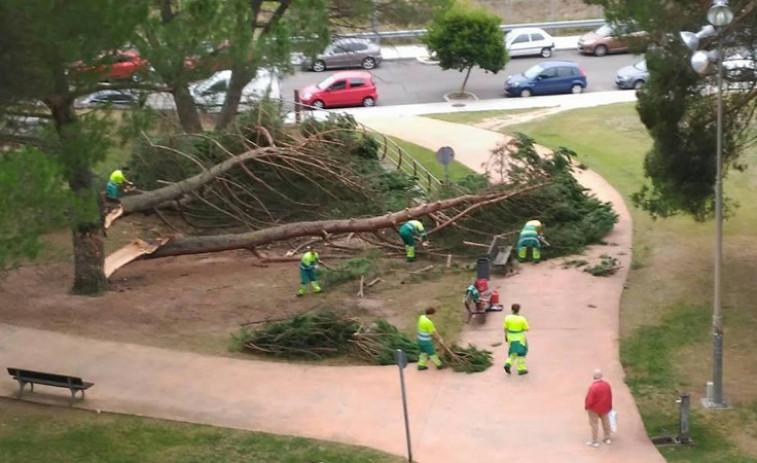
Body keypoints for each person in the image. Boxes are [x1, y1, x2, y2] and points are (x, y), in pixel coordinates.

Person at [585, 369, 613, 447]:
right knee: (606, 422)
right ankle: (607, 438)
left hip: (594, 409)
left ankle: (595, 441)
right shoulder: (607, 385)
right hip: (605, 407)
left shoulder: (593, 387)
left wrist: (587, 406)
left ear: (594, 376)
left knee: (594, 424)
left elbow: (590, 399)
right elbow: (610, 396)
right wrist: (609, 406)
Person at [503, 303, 529, 375]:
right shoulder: (522, 319)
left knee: (513, 352)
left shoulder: (507, 318)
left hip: (510, 337)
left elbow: (505, 328)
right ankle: (521, 369)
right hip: (520, 338)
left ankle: (508, 364)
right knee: (521, 353)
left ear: (512, 309)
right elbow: (526, 329)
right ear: (519, 310)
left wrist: (505, 336)